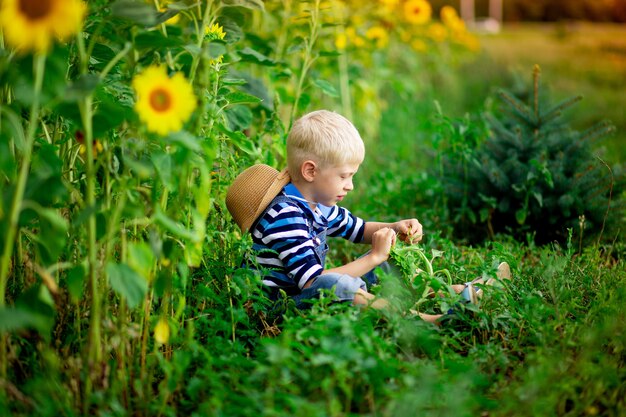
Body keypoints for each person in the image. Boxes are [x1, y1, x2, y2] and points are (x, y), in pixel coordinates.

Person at [226, 110, 510, 324]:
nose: (350, 185)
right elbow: (312, 283)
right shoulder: (285, 217)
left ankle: (458, 291)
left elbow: (359, 229)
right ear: (311, 172)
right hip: (283, 307)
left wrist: (394, 227)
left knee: (390, 267)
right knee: (339, 286)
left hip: (307, 289)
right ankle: (434, 322)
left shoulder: (317, 204)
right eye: (344, 176)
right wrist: (373, 256)